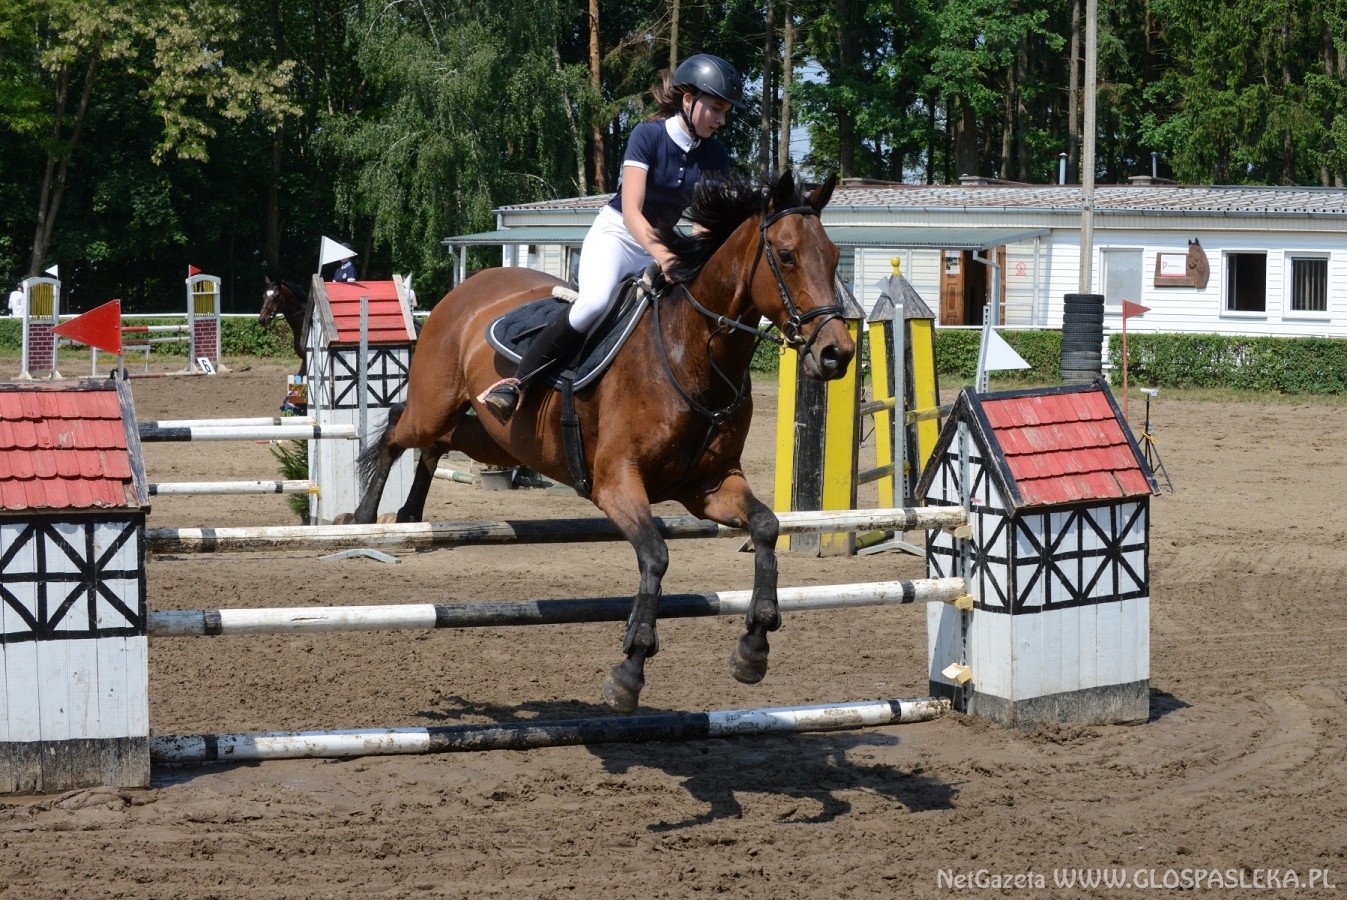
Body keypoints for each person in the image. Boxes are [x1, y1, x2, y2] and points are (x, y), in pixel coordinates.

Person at [480, 54, 744, 424]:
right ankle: (517, 383)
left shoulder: (716, 154)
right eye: (716, 108)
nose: (721, 120)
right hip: (618, 235)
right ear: (688, 100)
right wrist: (666, 257)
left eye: (725, 112)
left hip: (662, 244)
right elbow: (633, 212)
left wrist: (697, 261)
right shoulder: (647, 135)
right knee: (594, 304)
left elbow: (703, 223)